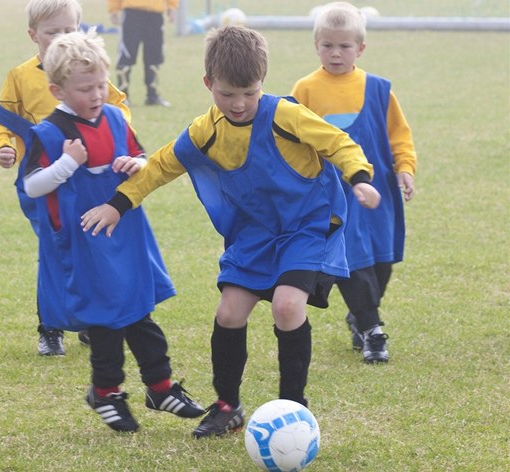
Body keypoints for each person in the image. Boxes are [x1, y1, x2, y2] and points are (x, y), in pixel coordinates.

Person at [81, 25, 381, 438]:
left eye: (249, 93)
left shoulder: (286, 115)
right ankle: (227, 405)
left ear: (262, 83)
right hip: (255, 237)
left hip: (305, 229)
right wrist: (118, 204)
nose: (239, 104)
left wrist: (360, 177)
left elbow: (337, 143)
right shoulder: (206, 130)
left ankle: (293, 406)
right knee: (229, 312)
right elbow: (162, 165)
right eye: (226, 94)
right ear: (208, 84)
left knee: (287, 307)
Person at [22, 29, 205, 432]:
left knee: (140, 310)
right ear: (57, 89)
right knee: (105, 322)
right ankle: (105, 393)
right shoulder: (49, 134)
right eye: (85, 88)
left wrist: (134, 164)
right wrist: (66, 165)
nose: (97, 94)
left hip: (126, 235)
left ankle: (160, 387)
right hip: (87, 242)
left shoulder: (116, 117)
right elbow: (31, 185)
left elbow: (140, 158)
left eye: (102, 84)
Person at [0, 0, 133, 356]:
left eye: (69, 30)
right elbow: (1, 120)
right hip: (42, 181)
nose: (61, 38)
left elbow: (118, 108)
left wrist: (118, 139)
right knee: (55, 251)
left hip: (86, 181)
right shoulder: (21, 77)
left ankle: (89, 320)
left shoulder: (89, 71)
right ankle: (50, 328)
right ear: (33, 35)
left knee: (91, 247)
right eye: (53, 32)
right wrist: (2, 146)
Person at [291, 2, 417, 363]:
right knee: (353, 261)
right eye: (327, 45)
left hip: (379, 194)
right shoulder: (305, 90)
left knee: (382, 262)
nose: (335, 53)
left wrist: (405, 167)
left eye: (344, 46)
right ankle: (372, 330)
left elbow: (399, 135)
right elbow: (290, 140)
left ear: (360, 48)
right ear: (316, 45)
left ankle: (360, 314)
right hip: (334, 196)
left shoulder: (379, 89)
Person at [108, 0, 179, 107]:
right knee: (127, 55)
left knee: (154, 56)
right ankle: (123, 96)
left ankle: (152, 95)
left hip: (155, 13)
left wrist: (172, 6)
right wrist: (113, 9)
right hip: (132, 12)